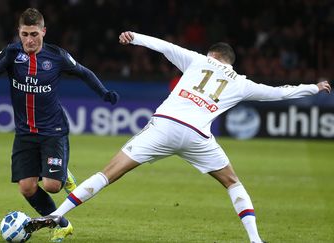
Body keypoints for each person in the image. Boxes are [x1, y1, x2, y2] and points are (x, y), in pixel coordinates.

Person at [24, 31, 331, 242]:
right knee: (233, 182)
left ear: (212, 55)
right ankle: (254, 238)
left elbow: (165, 47)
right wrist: (313, 88)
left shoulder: (197, 60)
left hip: (165, 125)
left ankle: (56, 214)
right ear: (230, 62)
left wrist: (135, 37)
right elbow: (278, 93)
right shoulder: (240, 82)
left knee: (108, 173)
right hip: (198, 136)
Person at [0, 8, 119, 242]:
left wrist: (104, 93)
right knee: (26, 188)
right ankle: (62, 224)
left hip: (53, 131)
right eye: (24, 34)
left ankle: (62, 172)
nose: (29, 40)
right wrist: (6, 58)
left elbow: (84, 73)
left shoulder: (57, 56)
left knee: (52, 186)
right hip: (24, 133)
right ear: (18, 32)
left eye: (34, 34)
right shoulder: (11, 53)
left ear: (43, 32)